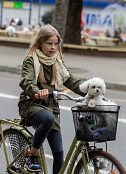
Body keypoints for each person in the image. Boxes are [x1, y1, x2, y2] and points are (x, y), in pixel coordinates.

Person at [18, 24, 85, 173]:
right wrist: (36, 92)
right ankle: (32, 156)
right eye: (49, 43)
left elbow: (72, 81)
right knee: (48, 119)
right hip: (31, 104)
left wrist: (91, 91)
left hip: (51, 107)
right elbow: (26, 81)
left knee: (59, 152)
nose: (53, 47)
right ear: (40, 43)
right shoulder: (31, 60)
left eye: (56, 44)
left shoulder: (58, 62)